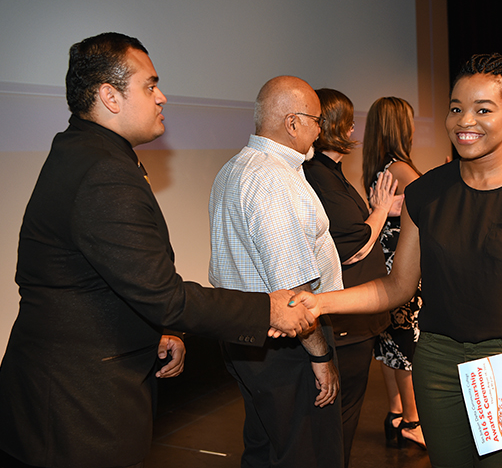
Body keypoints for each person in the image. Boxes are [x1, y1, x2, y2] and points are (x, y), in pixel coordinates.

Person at [0, 33, 315, 468]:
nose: (162, 97)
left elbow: (99, 281)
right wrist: (270, 310)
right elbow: (163, 295)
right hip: (76, 408)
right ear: (110, 96)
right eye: (150, 86)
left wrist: (158, 331)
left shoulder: (84, 150)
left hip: (63, 392)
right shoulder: (104, 172)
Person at [290, 53, 502, 467]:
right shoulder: (426, 193)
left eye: (483, 109)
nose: (465, 121)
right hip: (438, 366)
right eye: (456, 108)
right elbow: (397, 286)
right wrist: (321, 302)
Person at [208, 76, 344, 468]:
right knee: (308, 455)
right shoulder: (273, 179)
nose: (321, 130)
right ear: (293, 122)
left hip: (245, 337)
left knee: (265, 449)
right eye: (317, 120)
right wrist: (320, 356)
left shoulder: (235, 168)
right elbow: (293, 294)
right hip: (286, 345)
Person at [303, 88, 398, 466]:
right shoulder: (320, 178)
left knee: (340, 421)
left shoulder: (331, 175)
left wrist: (384, 210)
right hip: (345, 323)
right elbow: (355, 243)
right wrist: (379, 211)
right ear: (334, 126)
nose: (355, 126)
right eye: (348, 119)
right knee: (337, 423)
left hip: (355, 321)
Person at [361, 96, 425, 449]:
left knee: (388, 343)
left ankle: (396, 414)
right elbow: (432, 203)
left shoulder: (378, 167)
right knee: (406, 345)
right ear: (401, 126)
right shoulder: (400, 167)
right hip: (404, 267)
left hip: (384, 265)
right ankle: (414, 421)